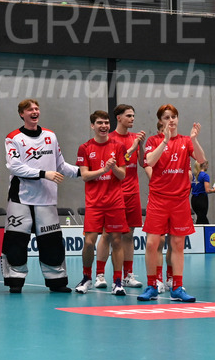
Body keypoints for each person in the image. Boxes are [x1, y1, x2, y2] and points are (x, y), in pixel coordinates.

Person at [1, 99, 79, 294]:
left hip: (46, 198)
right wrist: (44, 174)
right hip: (21, 198)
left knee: (52, 243)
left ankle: (57, 282)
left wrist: (83, 172)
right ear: (22, 114)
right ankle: (15, 282)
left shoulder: (50, 136)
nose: (34, 112)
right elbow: (15, 167)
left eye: (36, 108)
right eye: (29, 110)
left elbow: (60, 165)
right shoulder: (13, 138)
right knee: (16, 242)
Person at [138, 104, 205, 302]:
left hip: (180, 201)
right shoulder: (153, 140)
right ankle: (151, 286)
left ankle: (177, 286)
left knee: (177, 244)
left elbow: (201, 159)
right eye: (167, 117)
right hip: (159, 199)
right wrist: (165, 141)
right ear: (160, 121)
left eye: (174, 116)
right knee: (152, 244)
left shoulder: (186, 141)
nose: (171, 120)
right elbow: (149, 161)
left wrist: (194, 139)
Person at [73, 111, 128, 296]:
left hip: (115, 202)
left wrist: (113, 168)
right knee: (89, 243)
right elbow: (85, 176)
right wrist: (103, 169)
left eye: (106, 122)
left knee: (117, 240)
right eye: (99, 123)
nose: (103, 125)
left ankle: (118, 282)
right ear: (92, 126)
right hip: (94, 203)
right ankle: (87, 277)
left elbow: (123, 175)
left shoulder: (118, 146)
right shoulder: (85, 148)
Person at [94, 104, 146, 289]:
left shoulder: (134, 138)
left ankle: (127, 275)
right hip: (113, 193)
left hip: (133, 191)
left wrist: (141, 145)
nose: (132, 119)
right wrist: (132, 147)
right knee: (108, 234)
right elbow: (116, 162)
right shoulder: (110, 139)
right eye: (129, 116)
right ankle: (100, 275)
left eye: (133, 115)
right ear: (119, 118)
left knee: (129, 234)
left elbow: (141, 163)